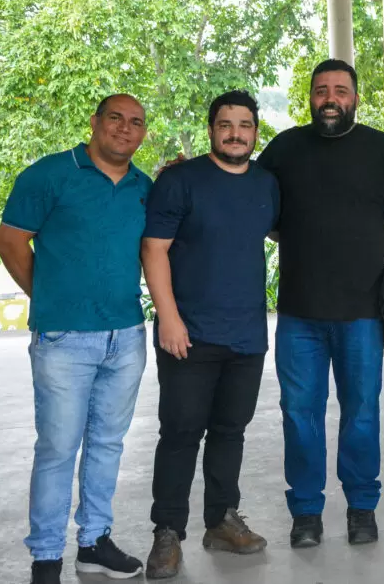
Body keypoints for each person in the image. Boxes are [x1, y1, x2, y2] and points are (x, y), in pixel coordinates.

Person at [257, 59, 384, 548]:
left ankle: (361, 508)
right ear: (310, 97)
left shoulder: (380, 149)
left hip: (363, 314)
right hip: (299, 314)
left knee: (362, 414)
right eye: (322, 90)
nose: (330, 98)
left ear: (355, 98)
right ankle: (306, 512)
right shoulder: (284, 148)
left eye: (340, 90)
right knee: (298, 414)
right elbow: (255, 206)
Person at [0, 94, 152, 584]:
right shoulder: (49, 174)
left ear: (143, 133)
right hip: (64, 339)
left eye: (136, 122)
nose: (125, 129)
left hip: (126, 336)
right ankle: (46, 558)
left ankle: (94, 542)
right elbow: (9, 241)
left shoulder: (143, 186)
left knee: (107, 444)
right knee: (58, 448)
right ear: (95, 122)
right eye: (115, 118)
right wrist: (48, 296)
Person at [141, 91, 279, 578]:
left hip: (247, 334)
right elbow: (154, 249)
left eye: (245, 125)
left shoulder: (266, 183)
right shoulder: (180, 181)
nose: (235, 134)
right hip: (189, 333)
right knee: (180, 433)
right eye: (226, 125)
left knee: (230, 431)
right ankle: (167, 532)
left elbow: (282, 232)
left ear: (255, 132)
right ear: (211, 130)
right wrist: (168, 317)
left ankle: (221, 519)